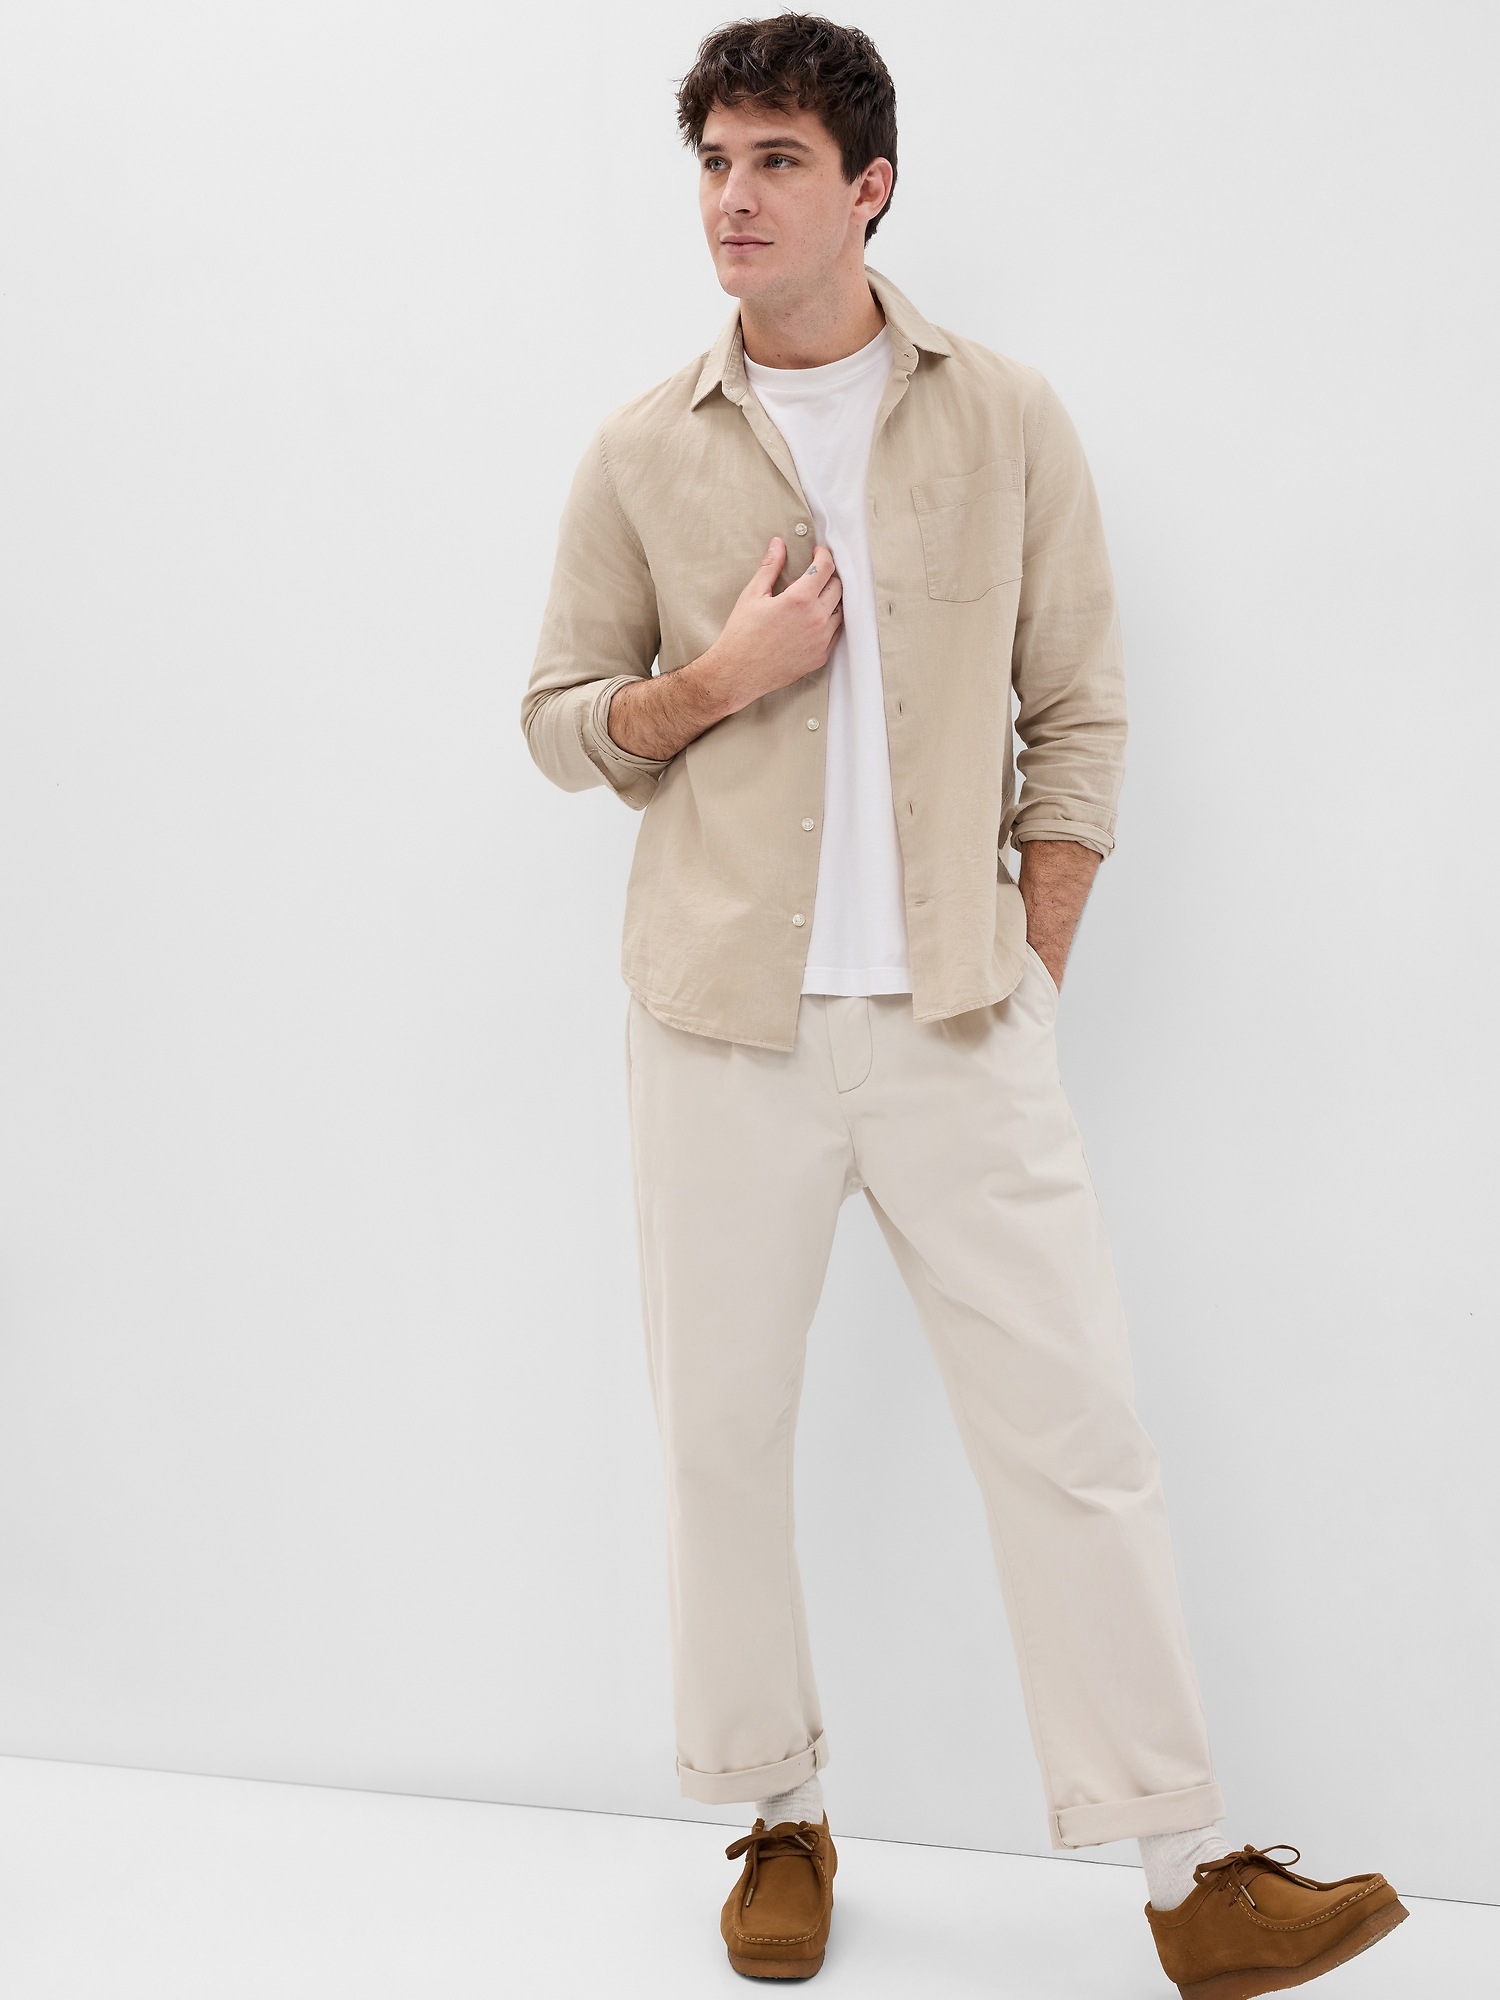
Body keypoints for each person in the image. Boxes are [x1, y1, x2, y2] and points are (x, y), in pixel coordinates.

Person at [520, 13, 1406, 1993]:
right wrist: (717, 681)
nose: (733, 198)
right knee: (720, 1441)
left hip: (957, 1020)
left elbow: (1077, 708)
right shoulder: (640, 449)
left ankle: (1191, 1870)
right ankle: (776, 1812)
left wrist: (1029, 968)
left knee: (1075, 1430)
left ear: (871, 187)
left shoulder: (1004, 416)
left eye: (774, 161)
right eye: (714, 162)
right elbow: (558, 721)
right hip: (720, 1030)